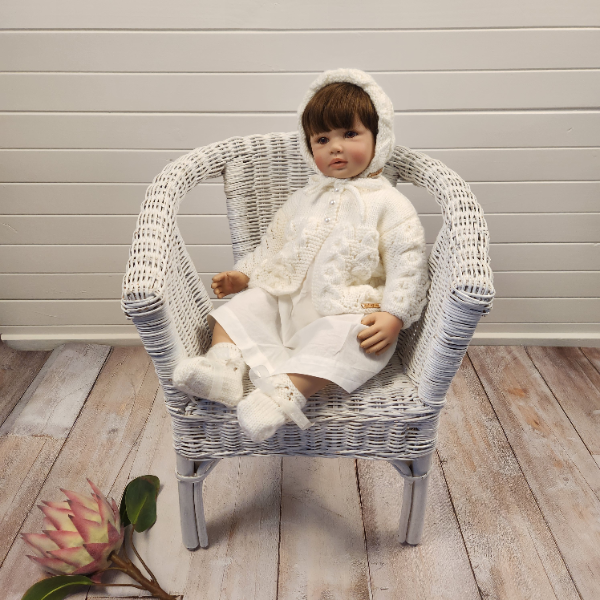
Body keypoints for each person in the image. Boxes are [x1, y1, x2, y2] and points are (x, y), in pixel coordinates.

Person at [173, 68, 429, 443]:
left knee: (352, 341)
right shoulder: (303, 199)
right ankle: (224, 369)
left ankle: (281, 396)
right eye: (322, 139)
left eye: (350, 134)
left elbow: (408, 263)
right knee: (242, 307)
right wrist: (245, 275)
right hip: (288, 301)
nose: (335, 147)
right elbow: (274, 245)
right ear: (309, 148)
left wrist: (394, 314)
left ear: (379, 137)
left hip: (345, 311)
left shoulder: (390, 204)